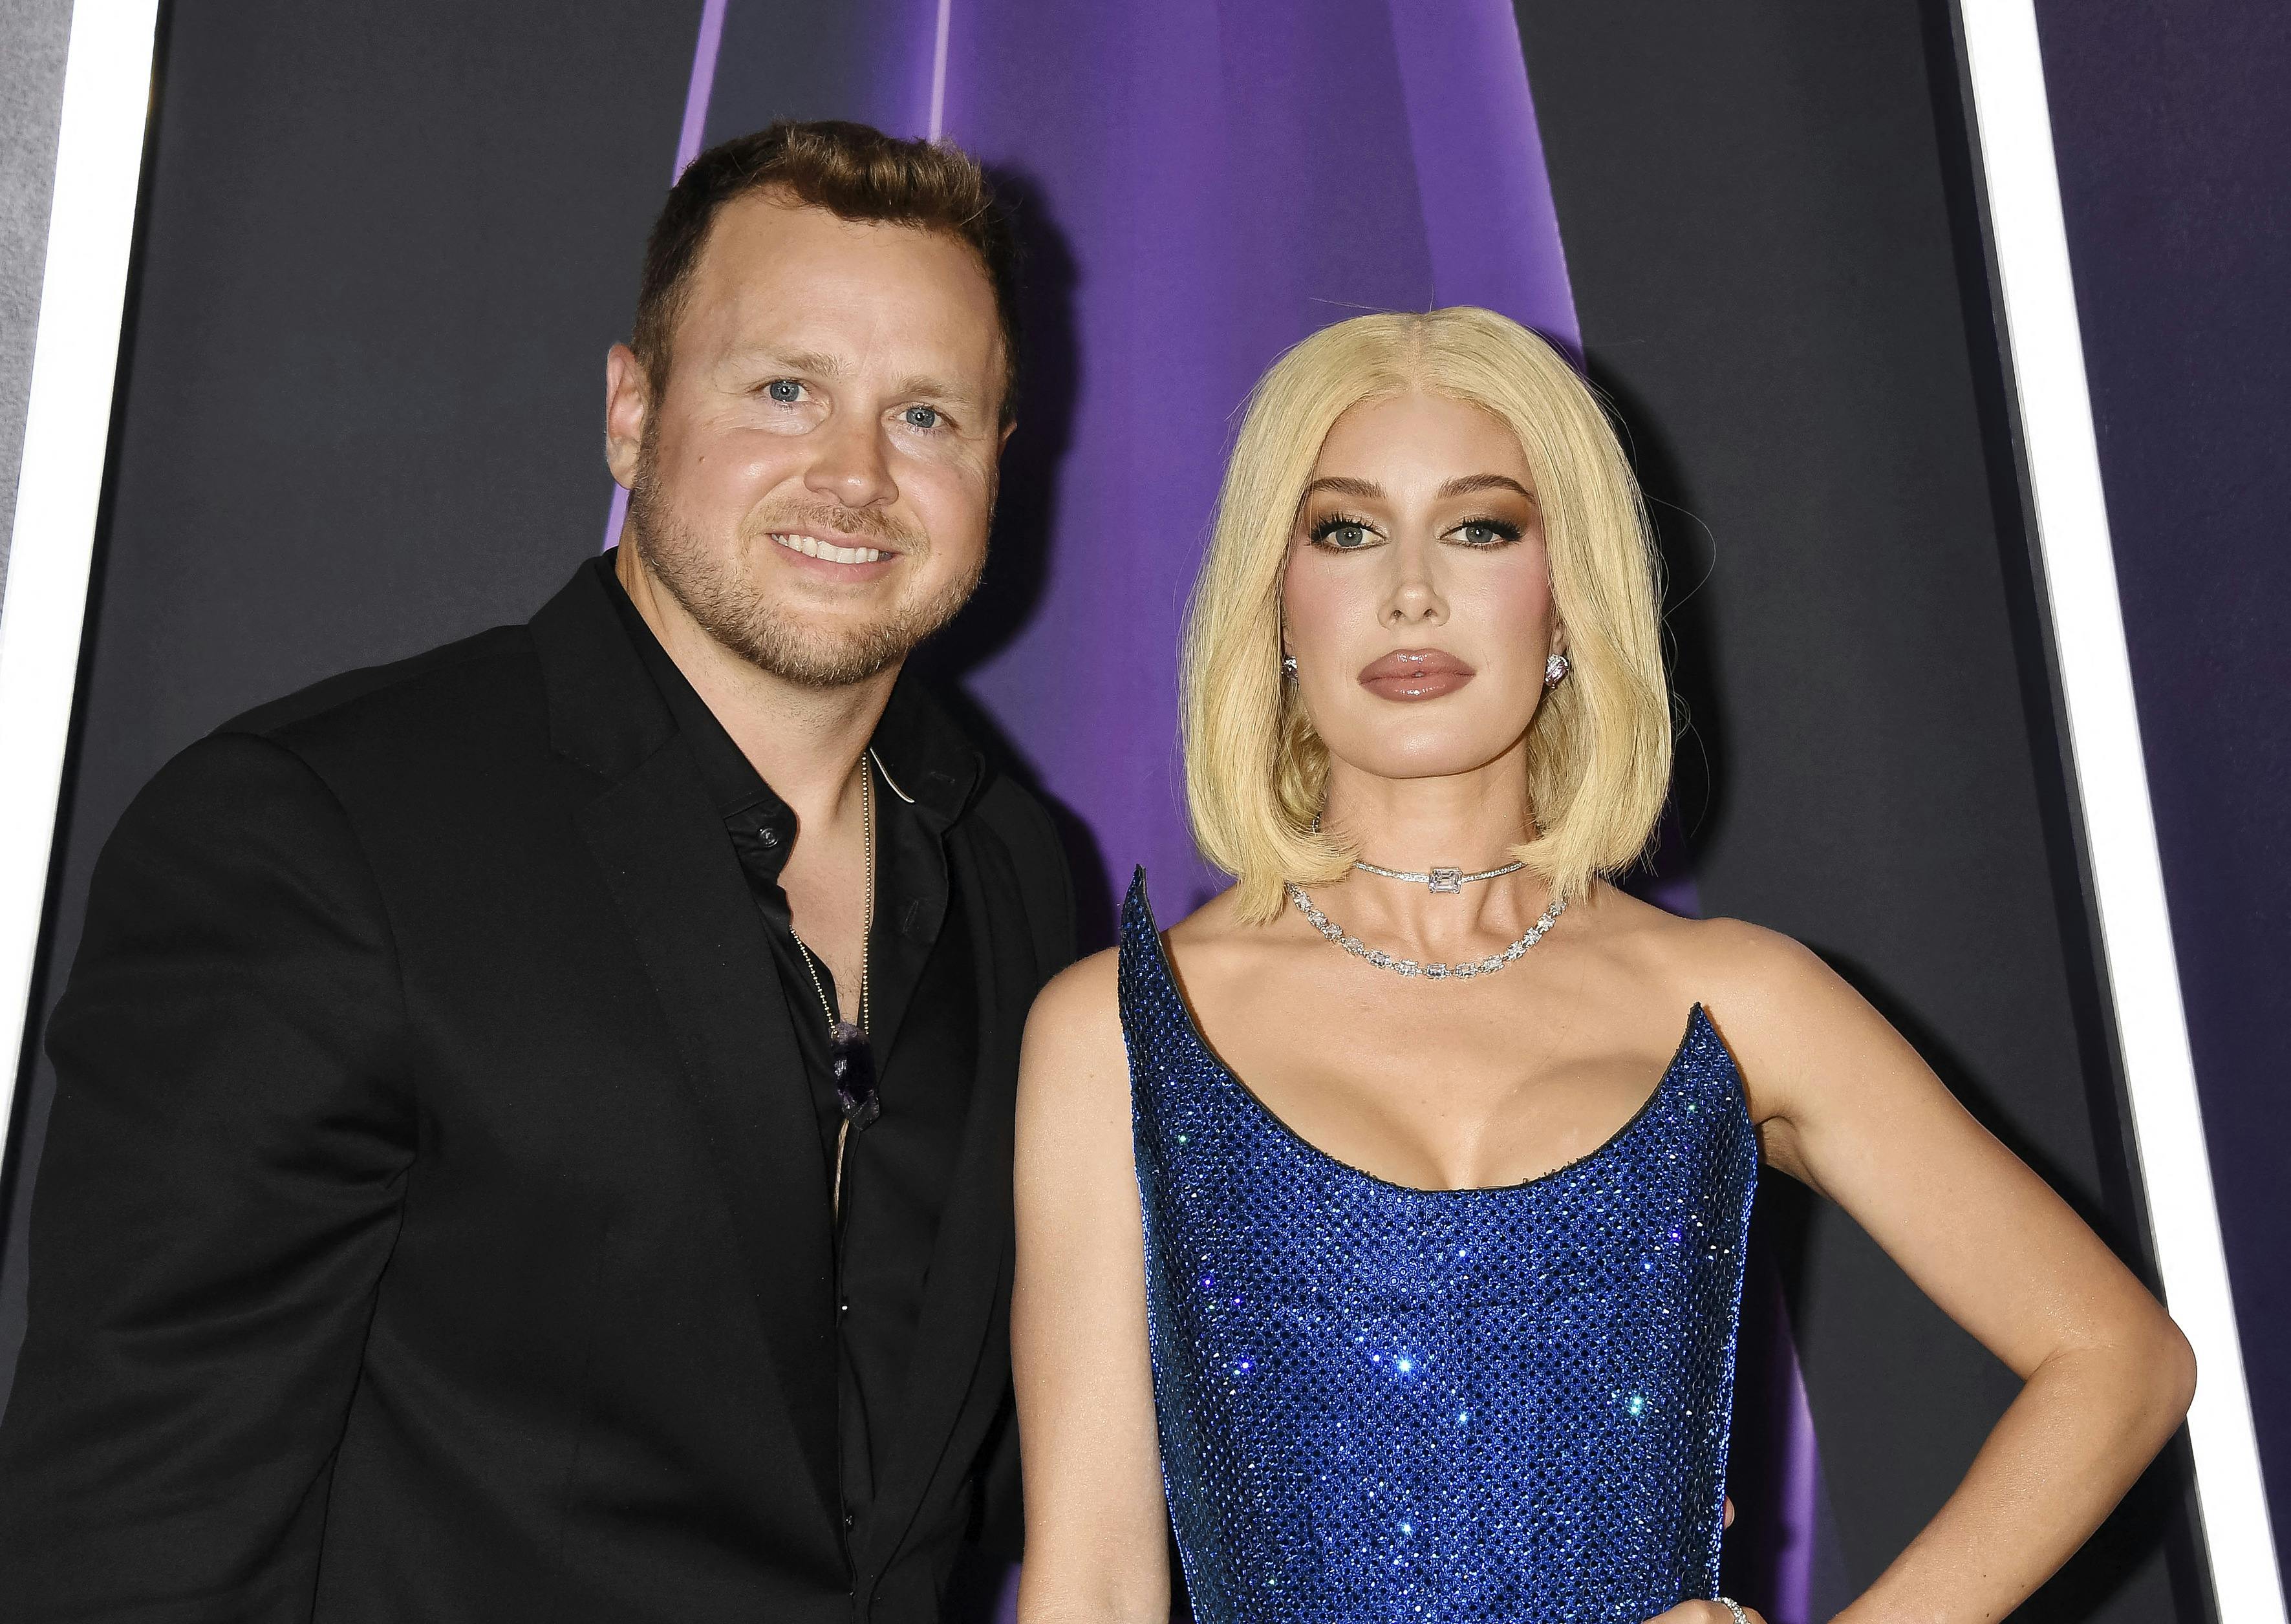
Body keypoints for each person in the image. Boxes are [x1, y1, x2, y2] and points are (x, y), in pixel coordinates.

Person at [0, 120, 1071, 1621]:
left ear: (996, 461)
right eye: (784, 388)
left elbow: (1006, 1453)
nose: (855, 475)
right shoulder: (323, 834)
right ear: (631, 413)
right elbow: (138, 1532)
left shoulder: (1019, 876)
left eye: (927, 417)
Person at [1009, 306, 2195, 1623]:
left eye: (1480, 527)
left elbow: (2115, 1359)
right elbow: (1093, 1579)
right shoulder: (1119, 1031)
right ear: (1275, 601)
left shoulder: (1735, 1001)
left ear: (1567, 598)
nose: (1410, 587)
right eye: (1344, 529)